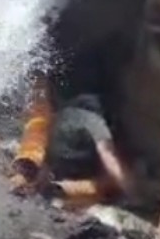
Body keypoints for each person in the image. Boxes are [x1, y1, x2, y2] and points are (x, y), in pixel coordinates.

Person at [10, 79, 133, 209]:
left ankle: (37, 182)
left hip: (62, 152)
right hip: (59, 133)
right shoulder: (89, 119)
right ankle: (30, 175)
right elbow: (109, 156)